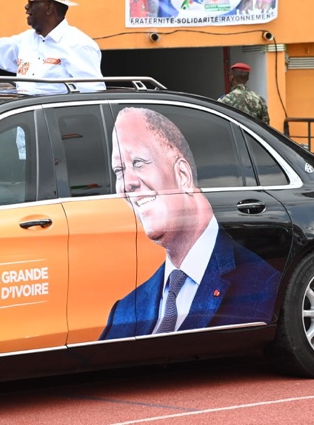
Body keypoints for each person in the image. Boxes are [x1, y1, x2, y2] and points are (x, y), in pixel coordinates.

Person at [100, 107, 279, 340]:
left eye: (138, 162)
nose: (127, 184)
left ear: (183, 175)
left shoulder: (263, 284)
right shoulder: (123, 311)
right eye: (119, 170)